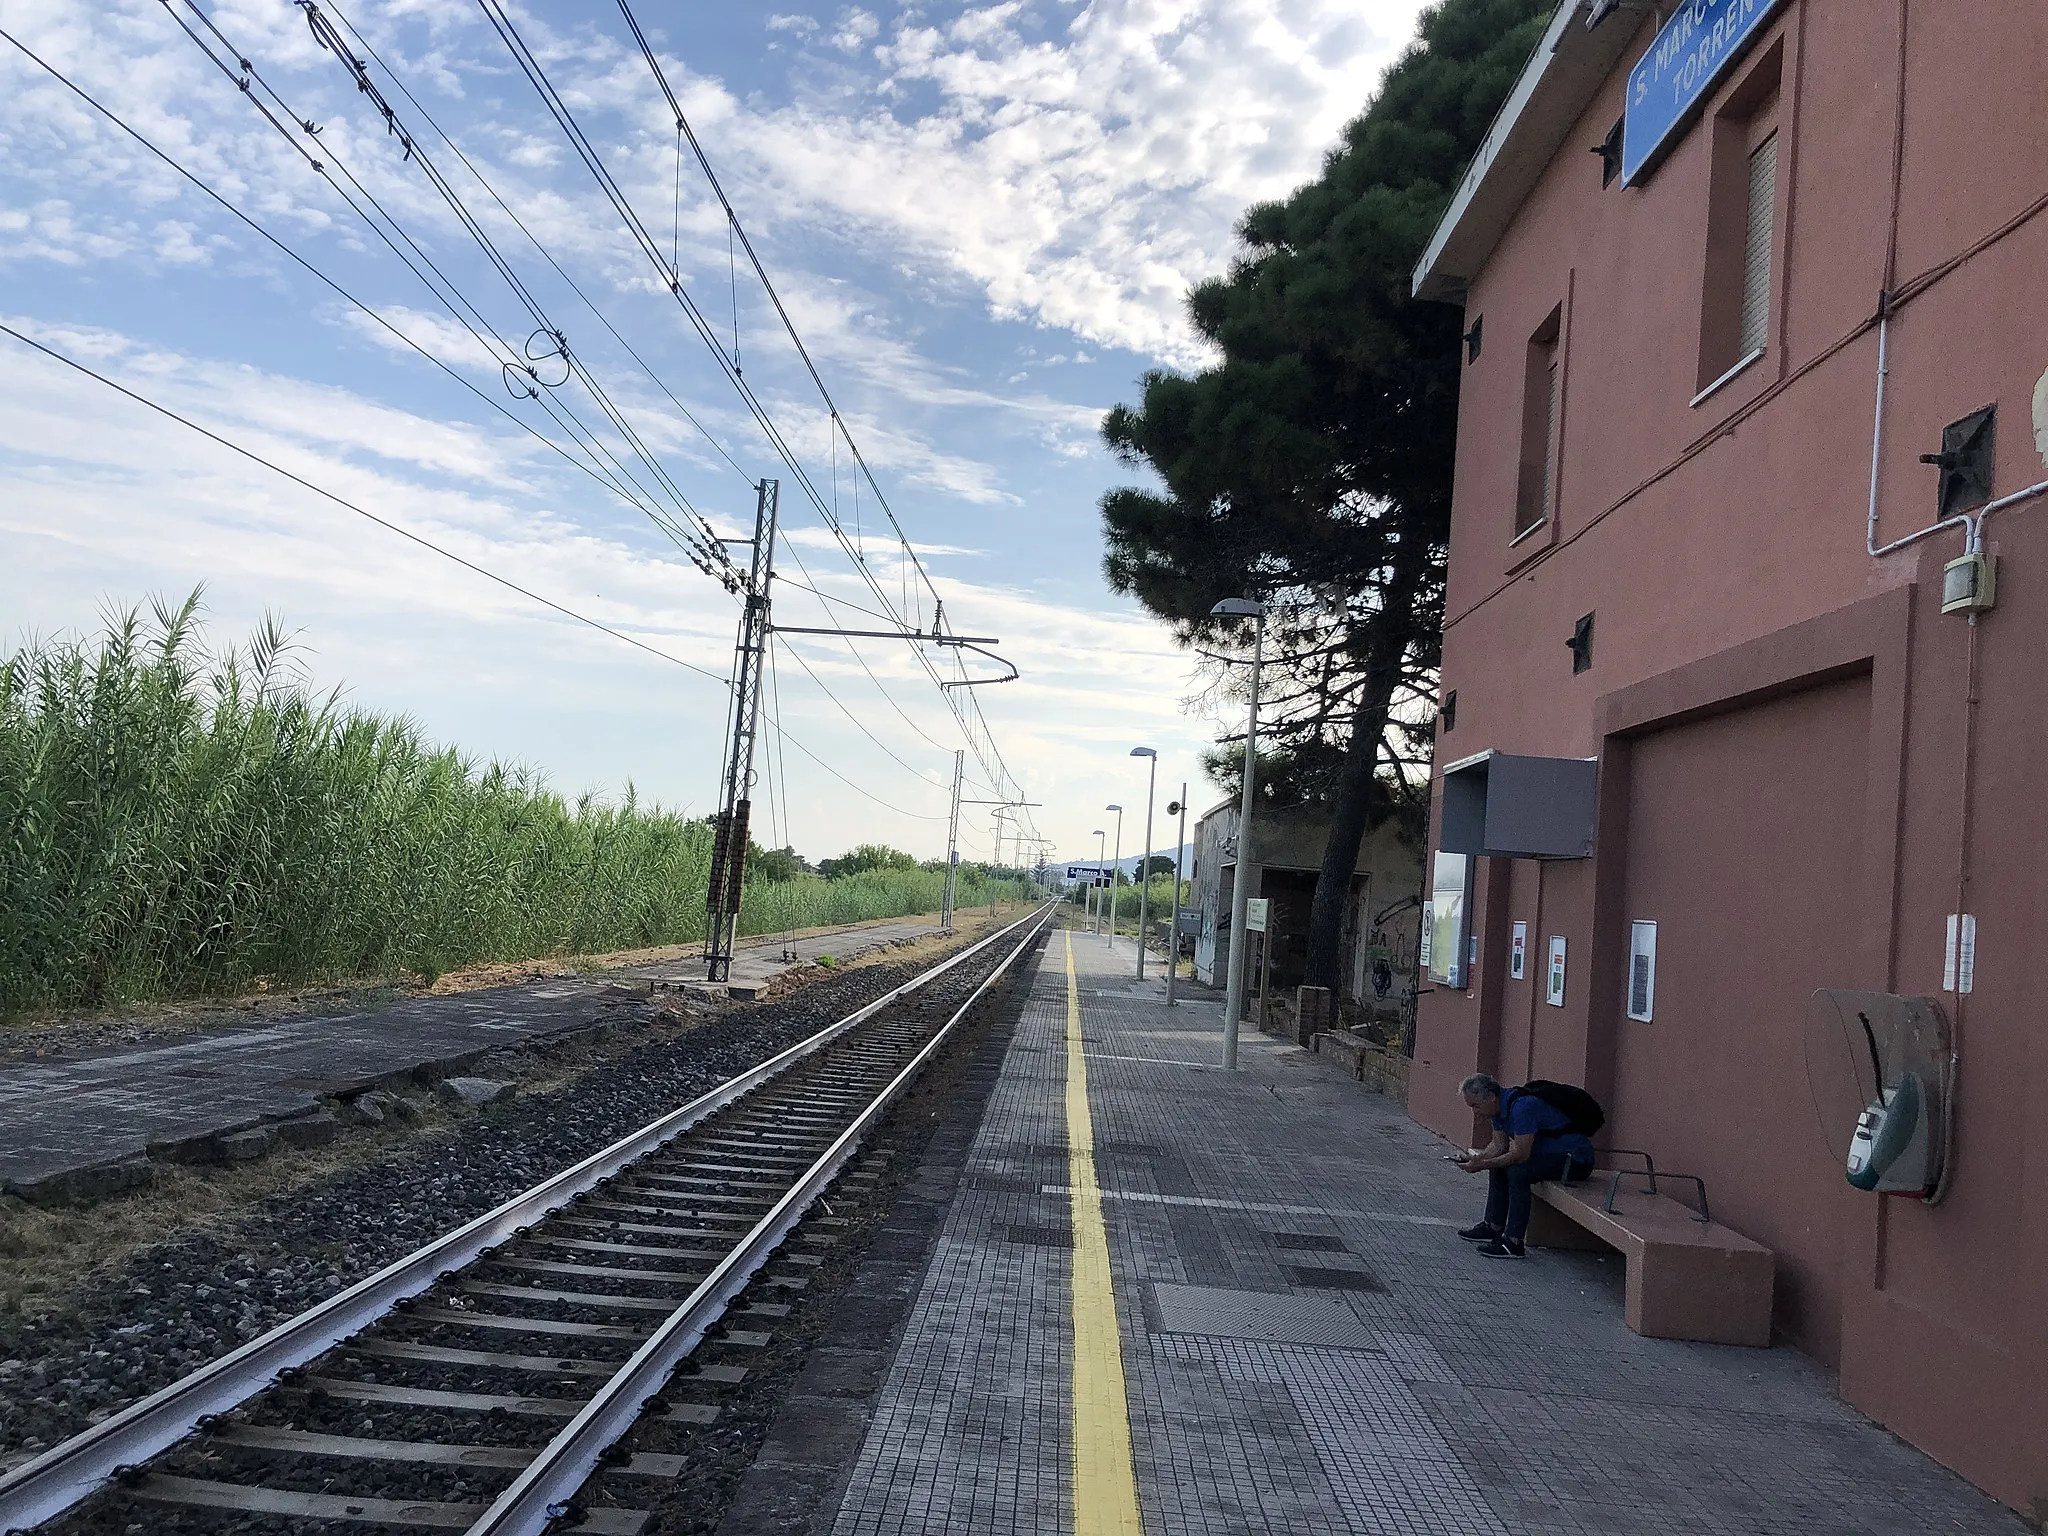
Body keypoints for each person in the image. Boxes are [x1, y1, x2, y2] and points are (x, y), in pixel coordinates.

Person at [1451, 1072, 1595, 1258]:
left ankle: (1514, 1242)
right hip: (1549, 1156)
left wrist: (1483, 1164)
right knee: (1499, 1166)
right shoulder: (1497, 1110)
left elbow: (1520, 1154)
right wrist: (1479, 1160)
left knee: (1518, 1171)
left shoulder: (1522, 1107)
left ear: (1491, 1097)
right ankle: (1493, 1226)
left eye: (1475, 1106)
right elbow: (1499, 1145)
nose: (1475, 1112)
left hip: (1575, 1160)